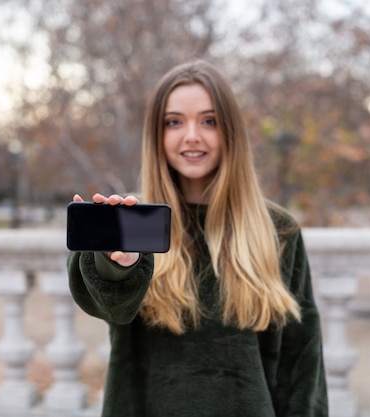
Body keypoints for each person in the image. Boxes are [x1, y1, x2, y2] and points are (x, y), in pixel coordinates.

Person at [67, 60, 328, 417]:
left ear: (230, 131)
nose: (192, 135)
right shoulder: (132, 220)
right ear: (157, 135)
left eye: (209, 121)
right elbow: (108, 304)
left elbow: (302, 365)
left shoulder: (277, 229)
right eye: (174, 122)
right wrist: (118, 264)